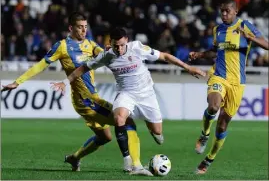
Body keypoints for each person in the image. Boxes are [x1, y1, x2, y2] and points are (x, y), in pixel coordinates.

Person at [1, 12, 145, 175]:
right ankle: (135, 164)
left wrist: (110, 50)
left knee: (106, 137)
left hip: (88, 100)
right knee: (127, 122)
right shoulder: (62, 46)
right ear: (71, 28)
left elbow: (105, 54)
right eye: (80, 27)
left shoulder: (90, 44)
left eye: (85, 27)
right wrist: (18, 82)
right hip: (87, 102)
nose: (84, 30)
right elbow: (40, 65)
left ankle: (75, 157)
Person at [50, 27, 206, 172]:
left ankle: (151, 127)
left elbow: (164, 56)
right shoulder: (106, 56)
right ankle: (127, 160)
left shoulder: (137, 48)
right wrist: (64, 82)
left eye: (122, 45)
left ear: (127, 40)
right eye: (115, 46)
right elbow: (83, 68)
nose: (119, 49)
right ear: (110, 43)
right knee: (119, 118)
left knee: (158, 134)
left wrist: (188, 68)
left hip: (147, 94)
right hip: (126, 94)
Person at [189, 0, 269, 174]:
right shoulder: (217, 30)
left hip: (237, 82)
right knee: (213, 106)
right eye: (222, 11)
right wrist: (200, 54)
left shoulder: (245, 26)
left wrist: (251, 38)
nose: (224, 14)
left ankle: (209, 158)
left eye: (227, 11)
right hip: (219, 75)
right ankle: (204, 134)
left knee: (223, 126)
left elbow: (267, 45)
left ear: (235, 12)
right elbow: (215, 51)